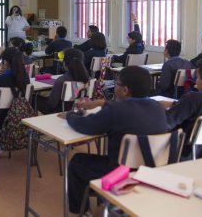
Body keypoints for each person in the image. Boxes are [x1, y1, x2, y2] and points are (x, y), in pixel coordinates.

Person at [62, 66, 168, 215]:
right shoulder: (158, 108)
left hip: (120, 172)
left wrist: (71, 115)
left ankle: (82, 211)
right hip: (151, 171)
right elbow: (129, 108)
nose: (115, 86)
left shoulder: (116, 111)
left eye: (116, 83)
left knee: (77, 162)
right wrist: (102, 103)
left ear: (125, 90)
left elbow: (85, 126)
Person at [160, 57, 202, 158]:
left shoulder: (193, 98)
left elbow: (166, 122)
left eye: (197, 77)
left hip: (184, 153)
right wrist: (175, 104)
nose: (195, 80)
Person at [37, 48, 89, 114]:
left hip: (58, 113)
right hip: (78, 111)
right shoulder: (88, 80)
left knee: (34, 98)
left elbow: (52, 104)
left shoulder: (61, 80)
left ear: (64, 63)